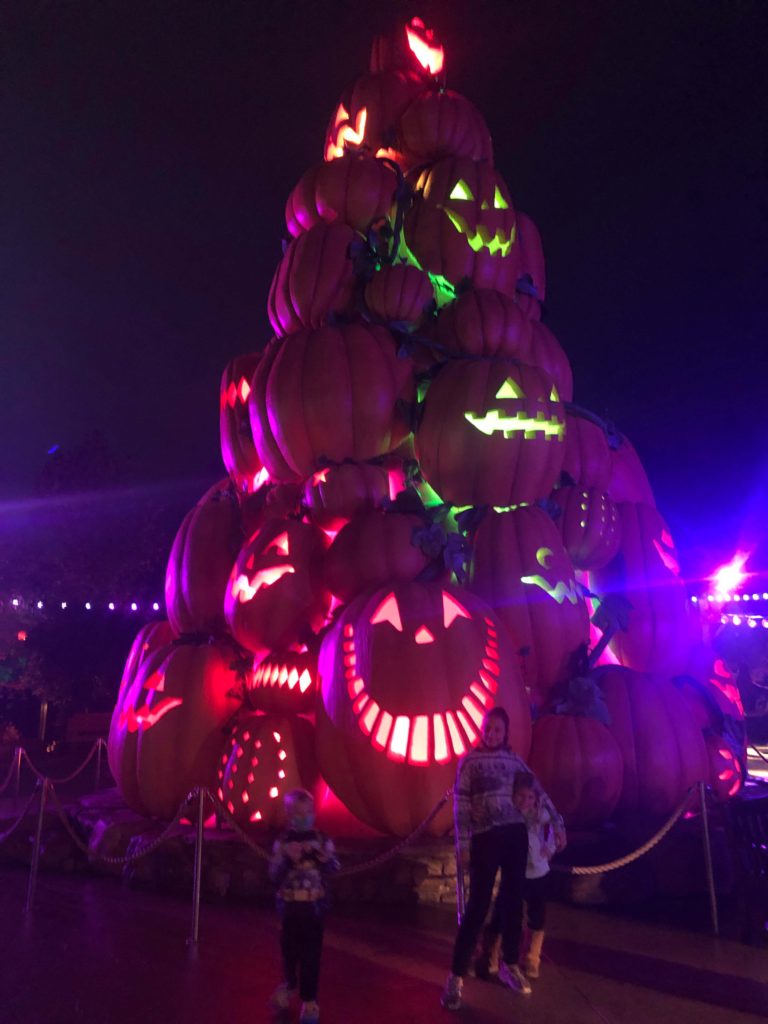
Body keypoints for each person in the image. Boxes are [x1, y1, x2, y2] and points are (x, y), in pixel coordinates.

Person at [440, 707, 566, 1011]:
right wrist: (463, 844)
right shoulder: (469, 762)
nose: (491, 733)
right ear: (481, 729)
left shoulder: (514, 761)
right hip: (486, 836)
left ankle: (510, 963)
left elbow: (539, 793)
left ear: (505, 732)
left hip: (515, 835)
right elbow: (461, 806)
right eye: (488, 728)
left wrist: (558, 823)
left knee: (513, 902)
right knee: (479, 904)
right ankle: (456, 976)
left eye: (497, 729)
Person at [474, 770, 558, 981]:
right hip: (514, 873)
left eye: (530, 797)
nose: (526, 801)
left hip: (538, 873)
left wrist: (550, 847)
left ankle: (532, 959)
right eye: (521, 796)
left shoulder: (539, 813)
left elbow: (557, 823)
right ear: (512, 795)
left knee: (537, 916)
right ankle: (492, 956)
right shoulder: (507, 815)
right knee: (504, 913)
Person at [269, 788, 339, 1024]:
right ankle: (289, 984)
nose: (304, 817)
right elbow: (274, 875)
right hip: (290, 908)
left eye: (308, 811)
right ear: (289, 815)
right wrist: (289, 859)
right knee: (289, 952)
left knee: (311, 955)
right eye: (298, 813)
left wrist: (323, 859)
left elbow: (334, 868)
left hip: (313, 908)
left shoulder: (322, 840)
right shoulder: (282, 842)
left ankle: (309, 1001)